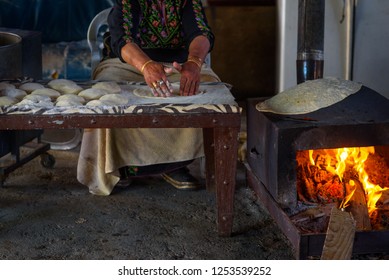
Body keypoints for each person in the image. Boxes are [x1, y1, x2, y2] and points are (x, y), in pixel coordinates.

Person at [77, 0, 221, 195]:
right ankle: (120, 165)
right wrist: (146, 66)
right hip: (128, 64)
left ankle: (175, 164)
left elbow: (201, 32)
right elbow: (122, 38)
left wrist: (194, 62)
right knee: (108, 94)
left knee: (209, 93)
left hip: (177, 65)